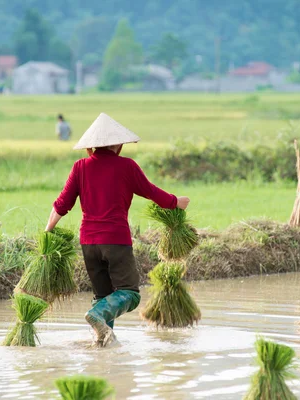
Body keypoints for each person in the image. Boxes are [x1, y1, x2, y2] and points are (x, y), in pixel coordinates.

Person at [44, 112, 190, 347]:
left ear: (92, 146)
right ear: (118, 144)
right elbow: (152, 192)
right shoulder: (127, 167)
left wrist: (47, 233)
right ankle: (97, 315)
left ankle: (102, 343)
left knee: (103, 297)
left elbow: (61, 204)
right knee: (129, 294)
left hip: (88, 244)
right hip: (116, 241)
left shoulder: (80, 167)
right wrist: (176, 202)